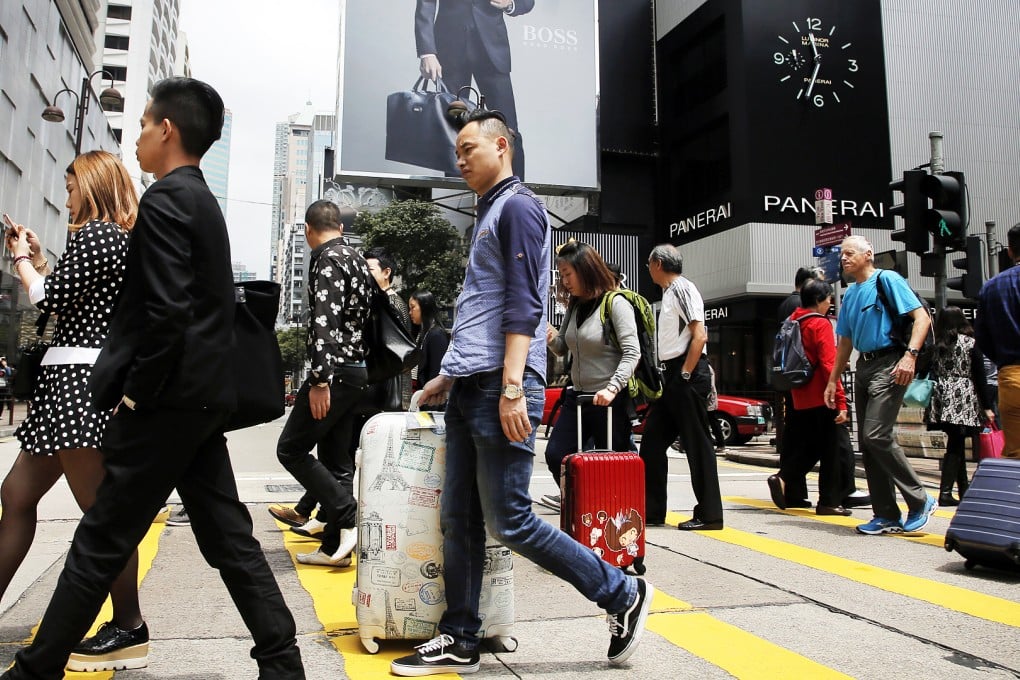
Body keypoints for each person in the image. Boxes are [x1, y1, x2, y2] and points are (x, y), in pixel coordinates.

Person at [0, 78, 306, 679]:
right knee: (229, 538)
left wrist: (136, 397)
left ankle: (35, 671)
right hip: (200, 403)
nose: (137, 136)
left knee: (99, 540)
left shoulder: (167, 201)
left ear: (167, 129)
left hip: (166, 404)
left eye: (143, 123)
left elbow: (165, 314)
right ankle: (281, 658)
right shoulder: (202, 204)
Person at [392, 110, 653, 676]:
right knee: (458, 515)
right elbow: (484, 307)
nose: (459, 159)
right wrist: (450, 375)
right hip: (474, 384)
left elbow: (524, 304)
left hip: (501, 387)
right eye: (456, 152)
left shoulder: (517, 206)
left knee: (509, 517)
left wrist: (512, 386)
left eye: (468, 149)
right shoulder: (489, 211)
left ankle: (621, 593)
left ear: (501, 145)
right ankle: (460, 635)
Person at [0, 151, 147, 672]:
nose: (66, 198)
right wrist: (39, 261)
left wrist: (20, 258)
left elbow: (47, 300)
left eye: (69, 187)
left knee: (102, 517)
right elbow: (69, 298)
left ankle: (129, 623)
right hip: (73, 384)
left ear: (91, 186)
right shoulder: (113, 240)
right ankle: (128, 623)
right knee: (16, 494)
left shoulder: (100, 236)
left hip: (76, 387)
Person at [275, 200, 373, 567]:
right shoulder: (357, 260)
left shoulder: (328, 259)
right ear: (341, 227)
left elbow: (324, 323)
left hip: (335, 373)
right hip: (356, 371)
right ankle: (334, 547)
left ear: (308, 230)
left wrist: (319, 380)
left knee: (291, 449)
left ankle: (347, 514)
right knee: (336, 462)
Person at [824, 235, 937, 536]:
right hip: (863, 367)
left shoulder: (887, 280)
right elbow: (845, 341)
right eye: (842, 255)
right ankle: (885, 514)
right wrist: (834, 380)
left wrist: (909, 357)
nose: (844, 259)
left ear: (868, 254)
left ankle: (920, 498)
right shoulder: (849, 295)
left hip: (890, 363)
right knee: (868, 442)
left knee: (876, 434)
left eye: (850, 253)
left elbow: (921, 318)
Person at [541, 241, 640, 512]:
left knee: (614, 467)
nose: (564, 281)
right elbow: (563, 347)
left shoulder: (615, 303)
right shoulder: (575, 305)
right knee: (556, 455)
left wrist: (612, 388)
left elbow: (632, 352)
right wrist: (548, 333)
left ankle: (618, 520)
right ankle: (583, 507)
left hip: (610, 401)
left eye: (567, 274)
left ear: (585, 270)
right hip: (578, 398)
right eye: (561, 275)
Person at [639, 244, 723, 531]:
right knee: (650, 443)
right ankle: (651, 511)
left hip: (687, 373)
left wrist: (685, 374)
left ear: (659, 264)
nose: (648, 268)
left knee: (698, 445)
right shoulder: (670, 292)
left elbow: (700, 335)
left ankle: (710, 515)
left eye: (650, 263)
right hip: (673, 376)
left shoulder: (683, 289)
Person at [415, 0, 532, 179]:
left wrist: (510, 4)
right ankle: (457, 191)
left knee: (508, 129)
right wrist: (427, 52)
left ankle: (516, 195)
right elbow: (426, 3)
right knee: (454, 130)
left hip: (492, 50)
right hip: (450, 51)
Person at [767, 279, 851, 516]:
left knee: (812, 446)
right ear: (819, 300)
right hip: (823, 394)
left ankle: (784, 479)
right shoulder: (819, 323)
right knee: (832, 449)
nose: (829, 303)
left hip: (799, 394)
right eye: (828, 299)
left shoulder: (793, 319)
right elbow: (829, 364)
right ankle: (828, 501)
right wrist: (841, 400)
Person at [925, 307, 995, 505]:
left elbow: (924, 367)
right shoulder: (970, 343)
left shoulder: (936, 345)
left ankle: (964, 490)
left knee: (956, 442)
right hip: (962, 394)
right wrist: (987, 406)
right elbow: (980, 376)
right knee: (956, 444)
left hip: (941, 395)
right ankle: (945, 492)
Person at [975, 222, 1020, 458]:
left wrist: (1004, 361)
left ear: (1010, 251)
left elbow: (982, 337)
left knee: (1016, 453)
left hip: (1011, 377)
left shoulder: (991, 288)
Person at [409, 289, 450, 389]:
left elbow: (437, 373)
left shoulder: (436, 335)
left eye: (413, 307)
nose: (410, 312)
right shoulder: (422, 333)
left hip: (431, 398)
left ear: (424, 306)